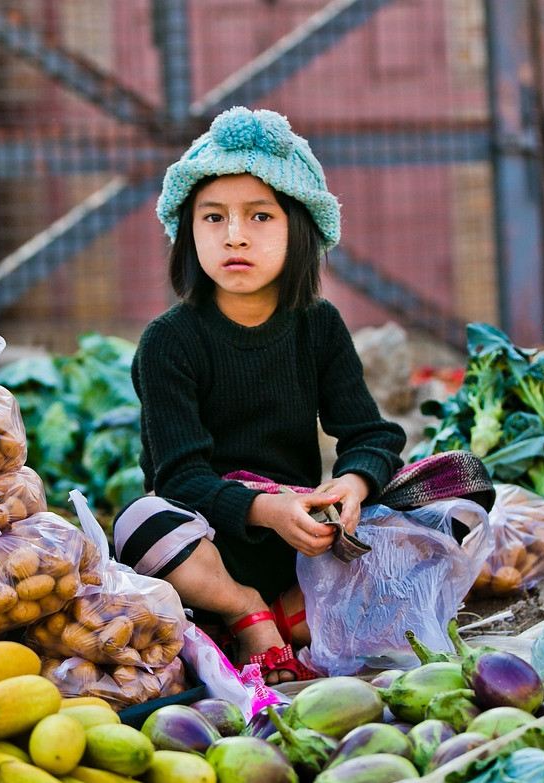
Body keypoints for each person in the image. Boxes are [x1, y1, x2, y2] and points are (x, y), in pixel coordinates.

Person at [116, 106, 408, 683]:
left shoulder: (317, 325)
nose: (236, 235)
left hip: (306, 538)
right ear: (187, 232)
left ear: (299, 228)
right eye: (213, 217)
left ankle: (299, 608)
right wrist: (264, 510)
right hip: (209, 546)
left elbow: (372, 435)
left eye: (259, 216)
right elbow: (178, 478)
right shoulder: (168, 342)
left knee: (450, 486)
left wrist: (349, 486)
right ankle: (245, 610)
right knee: (138, 520)